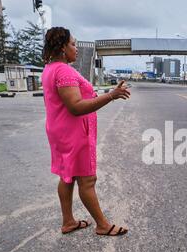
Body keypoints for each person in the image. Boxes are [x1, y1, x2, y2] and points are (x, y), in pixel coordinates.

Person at [41, 27, 131, 236]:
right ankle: (102, 225)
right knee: (87, 180)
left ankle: (68, 222)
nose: (77, 48)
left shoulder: (50, 68)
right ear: (63, 47)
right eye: (73, 44)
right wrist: (111, 95)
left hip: (59, 130)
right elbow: (75, 106)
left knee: (67, 176)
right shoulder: (63, 70)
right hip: (73, 133)